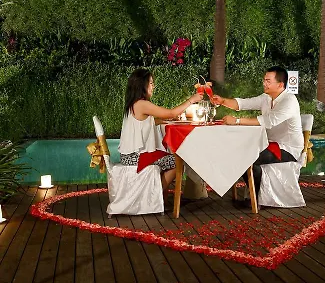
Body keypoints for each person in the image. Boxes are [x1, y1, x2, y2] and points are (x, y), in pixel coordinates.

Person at [211, 66, 303, 200]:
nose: (264, 83)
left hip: (288, 148)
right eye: (264, 80)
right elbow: (243, 103)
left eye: (268, 81)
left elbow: (269, 121)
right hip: (268, 144)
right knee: (239, 155)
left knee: (247, 158)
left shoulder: (289, 100)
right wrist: (222, 101)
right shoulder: (266, 98)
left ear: (280, 84)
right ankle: (257, 197)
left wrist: (237, 121)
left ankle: (261, 198)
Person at [119, 68, 203, 201]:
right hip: (135, 157)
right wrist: (191, 100)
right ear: (142, 85)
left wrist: (164, 120)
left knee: (169, 157)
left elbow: (148, 121)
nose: (153, 86)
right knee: (178, 161)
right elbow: (170, 112)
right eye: (151, 83)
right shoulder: (142, 104)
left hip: (130, 155)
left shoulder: (134, 103)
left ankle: (158, 195)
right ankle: (153, 195)